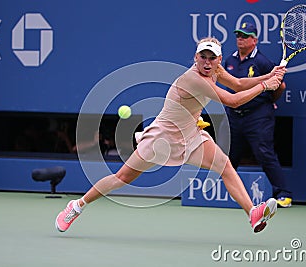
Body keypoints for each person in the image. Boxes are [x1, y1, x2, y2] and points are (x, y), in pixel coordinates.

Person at [55, 37, 286, 234]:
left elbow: (237, 84)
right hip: (162, 139)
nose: (207, 62)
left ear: (218, 59)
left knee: (225, 165)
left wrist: (268, 75)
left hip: (190, 136)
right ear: (195, 57)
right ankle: (77, 206)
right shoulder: (193, 78)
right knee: (122, 178)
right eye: (203, 57)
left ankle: (253, 214)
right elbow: (232, 100)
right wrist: (266, 85)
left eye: (212, 58)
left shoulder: (215, 70)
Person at [222, 22, 292, 207]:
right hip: (234, 115)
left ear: (254, 40)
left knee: (264, 153)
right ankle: (223, 194)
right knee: (230, 156)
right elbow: (233, 86)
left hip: (258, 116)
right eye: (238, 35)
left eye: (245, 36)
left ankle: (283, 194)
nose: (240, 39)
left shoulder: (262, 62)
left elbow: (280, 85)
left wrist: (270, 101)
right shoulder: (229, 60)